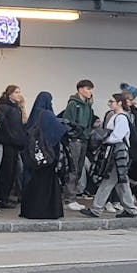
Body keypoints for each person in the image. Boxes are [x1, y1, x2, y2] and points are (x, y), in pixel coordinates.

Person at [82, 93, 136, 219]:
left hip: (117, 153)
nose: (110, 103)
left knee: (110, 180)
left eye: (112, 101)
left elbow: (117, 136)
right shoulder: (117, 116)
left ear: (119, 103)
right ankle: (130, 208)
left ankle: (97, 209)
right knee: (121, 181)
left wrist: (103, 140)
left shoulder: (120, 118)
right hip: (119, 152)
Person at [20, 91, 67, 219]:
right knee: (47, 186)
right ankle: (48, 211)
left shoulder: (34, 115)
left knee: (33, 185)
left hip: (33, 157)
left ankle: (30, 211)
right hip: (48, 157)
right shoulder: (48, 115)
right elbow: (60, 132)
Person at [60, 80, 95, 210]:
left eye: (91, 89)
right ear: (80, 89)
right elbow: (67, 122)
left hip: (84, 140)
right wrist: (75, 133)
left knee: (79, 170)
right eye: (88, 89)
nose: (90, 92)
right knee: (73, 169)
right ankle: (69, 199)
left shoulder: (88, 106)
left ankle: (73, 196)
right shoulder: (74, 104)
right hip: (75, 140)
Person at [0, 85, 26, 209]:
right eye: (16, 92)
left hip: (16, 143)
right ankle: (2, 198)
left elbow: (22, 122)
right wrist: (12, 137)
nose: (19, 95)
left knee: (13, 171)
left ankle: (6, 197)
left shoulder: (17, 108)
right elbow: (4, 126)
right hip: (8, 143)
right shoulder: (4, 108)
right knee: (6, 171)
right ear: (10, 94)